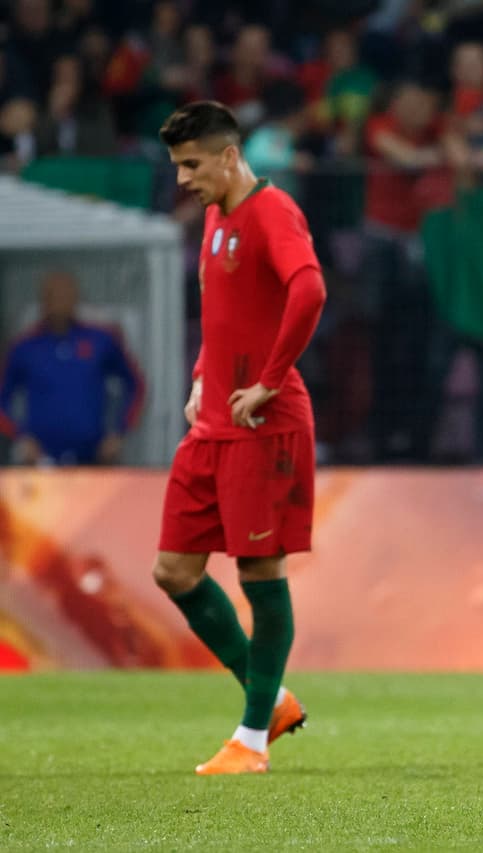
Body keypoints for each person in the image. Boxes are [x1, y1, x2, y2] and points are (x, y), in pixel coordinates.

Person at [152, 101, 326, 775]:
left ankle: (252, 739)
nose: (184, 178)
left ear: (229, 156)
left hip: (263, 424)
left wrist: (271, 380)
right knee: (173, 569)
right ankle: (273, 697)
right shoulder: (216, 216)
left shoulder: (272, 211)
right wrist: (203, 371)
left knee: (259, 572)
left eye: (193, 164)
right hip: (214, 422)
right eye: (177, 166)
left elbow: (309, 290)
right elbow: (222, 312)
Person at [0, 270, 144, 465]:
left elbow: (136, 385)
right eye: (53, 295)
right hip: (40, 462)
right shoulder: (25, 346)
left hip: (94, 460)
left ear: (76, 297)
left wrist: (119, 432)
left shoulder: (100, 340)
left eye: (65, 295)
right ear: (43, 299)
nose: (59, 301)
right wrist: (20, 438)